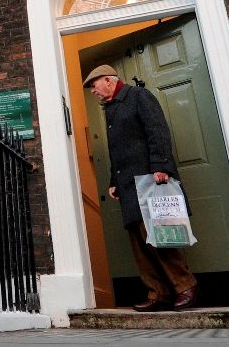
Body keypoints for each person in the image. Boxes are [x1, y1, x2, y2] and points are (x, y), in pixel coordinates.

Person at [83, 64, 198, 312]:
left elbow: (157, 131)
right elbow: (118, 150)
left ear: (108, 80)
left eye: (94, 85)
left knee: (159, 235)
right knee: (140, 242)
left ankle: (185, 286)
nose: (93, 91)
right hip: (128, 186)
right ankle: (159, 293)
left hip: (150, 179)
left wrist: (161, 166)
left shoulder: (138, 96)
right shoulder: (111, 109)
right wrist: (114, 181)